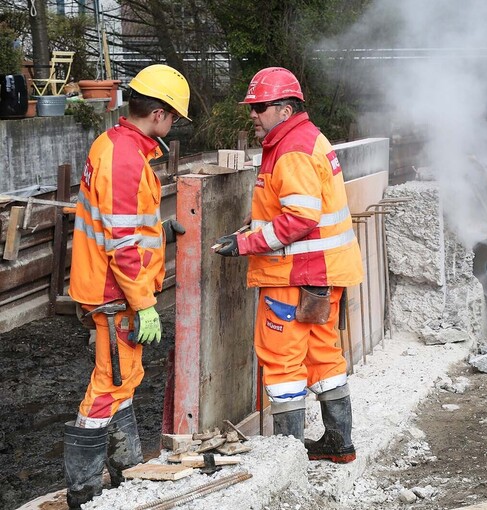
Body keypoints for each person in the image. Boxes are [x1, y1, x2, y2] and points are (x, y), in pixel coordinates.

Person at [213, 67, 363, 464]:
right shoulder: (300, 139)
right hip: (320, 274)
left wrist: (247, 242)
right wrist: (255, 226)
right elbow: (293, 209)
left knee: (282, 364)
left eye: (259, 107)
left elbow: (300, 217)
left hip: (293, 276)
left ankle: (288, 459)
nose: (253, 114)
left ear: (283, 108)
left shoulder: (292, 148)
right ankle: (338, 443)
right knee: (324, 358)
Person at [65, 64, 190, 508]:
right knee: (109, 384)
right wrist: (145, 302)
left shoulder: (117, 146)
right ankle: (84, 492)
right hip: (114, 293)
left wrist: (160, 232)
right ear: (158, 114)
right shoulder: (124, 159)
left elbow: (127, 224)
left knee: (124, 378)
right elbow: (120, 242)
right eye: (174, 116)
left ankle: (126, 470)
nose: (174, 124)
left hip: (109, 287)